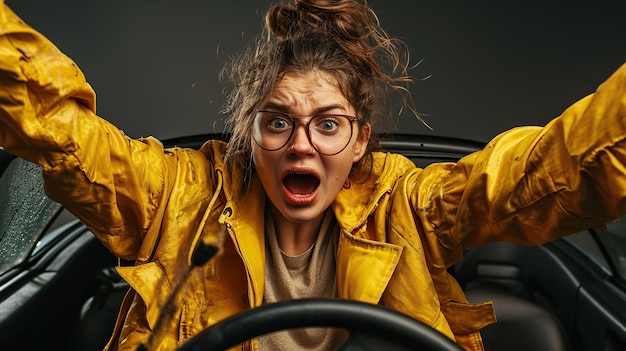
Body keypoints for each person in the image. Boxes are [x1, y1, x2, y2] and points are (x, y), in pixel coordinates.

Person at [1, 0, 625, 350]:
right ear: (251, 134)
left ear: (360, 143)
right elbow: (54, 125)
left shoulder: (412, 207)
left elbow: (558, 171)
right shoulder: (174, 196)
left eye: (328, 125)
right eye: (278, 123)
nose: (302, 147)